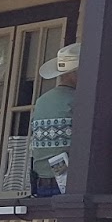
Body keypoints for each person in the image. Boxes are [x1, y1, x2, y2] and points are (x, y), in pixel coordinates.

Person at [30, 43, 80, 196]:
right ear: (73, 73)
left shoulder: (41, 101)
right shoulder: (80, 100)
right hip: (70, 185)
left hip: (41, 183)